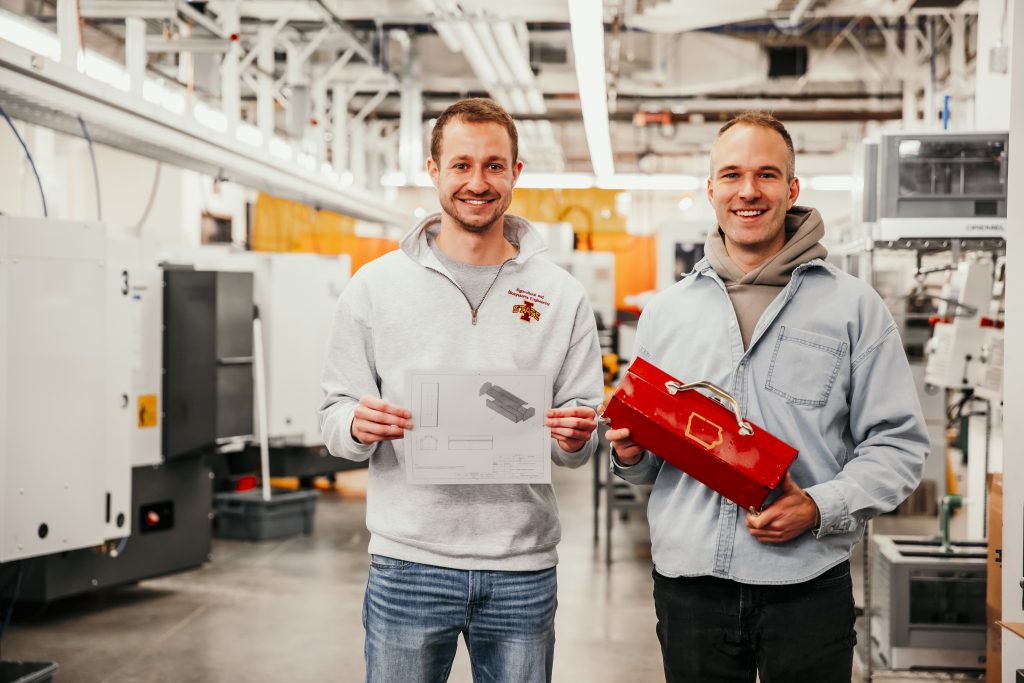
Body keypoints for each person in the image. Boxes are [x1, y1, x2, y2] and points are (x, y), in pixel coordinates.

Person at [606, 111, 928, 682]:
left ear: (792, 187)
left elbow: (898, 445)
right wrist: (630, 456)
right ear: (711, 190)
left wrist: (821, 506)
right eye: (730, 175)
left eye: (766, 174)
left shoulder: (853, 308)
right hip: (690, 589)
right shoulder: (667, 311)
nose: (748, 191)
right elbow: (650, 457)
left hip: (806, 586)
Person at [319, 97, 603, 683]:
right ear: (434, 170)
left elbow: (580, 433)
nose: (478, 182)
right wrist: (354, 426)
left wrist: (577, 435)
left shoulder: (562, 295)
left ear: (516, 174)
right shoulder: (374, 288)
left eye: (495, 165)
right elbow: (333, 414)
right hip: (408, 564)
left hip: (521, 569)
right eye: (462, 165)